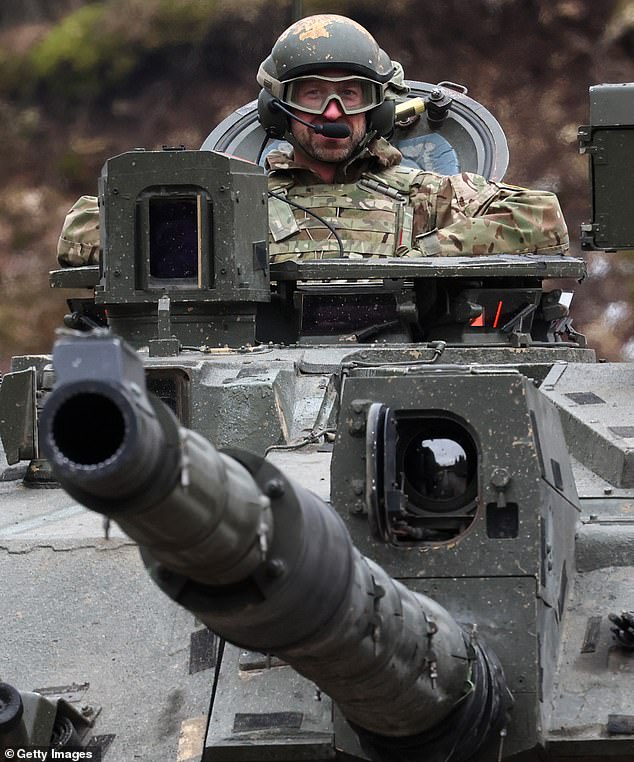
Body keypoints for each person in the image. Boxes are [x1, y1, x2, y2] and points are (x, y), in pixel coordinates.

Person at [57, 13, 568, 267]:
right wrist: (206, 245)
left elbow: (542, 217)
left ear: (381, 106)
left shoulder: (428, 196)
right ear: (278, 107)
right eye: (313, 94)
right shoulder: (236, 201)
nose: (332, 112)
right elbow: (84, 225)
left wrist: (420, 256)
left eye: (349, 93)